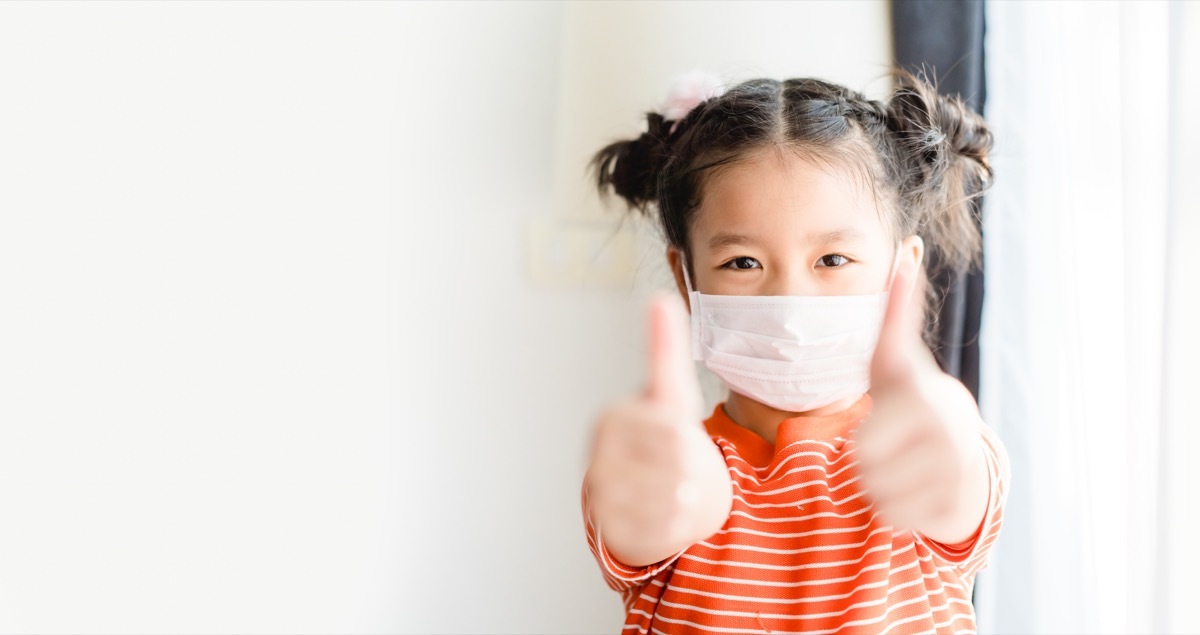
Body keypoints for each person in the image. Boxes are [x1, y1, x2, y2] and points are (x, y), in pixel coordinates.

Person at [581, 69, 1011, 634]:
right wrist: (674, 490)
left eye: (832, 260)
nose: (789, 300)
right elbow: (664, 511)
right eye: (742, 263)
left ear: (902, 270)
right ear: (686, 281)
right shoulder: (666, 459)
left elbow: (957, 486)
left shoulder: (921, 447)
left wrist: (950, 426)